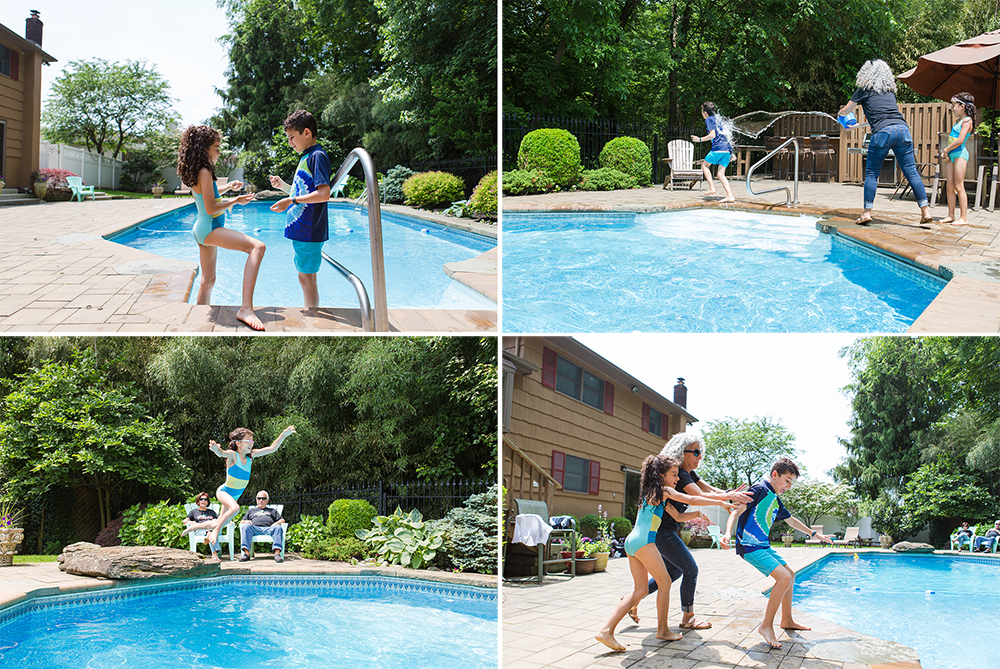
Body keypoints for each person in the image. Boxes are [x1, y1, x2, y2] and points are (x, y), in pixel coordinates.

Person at [595, 454, 734, 652]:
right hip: (645, 542)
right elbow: (690, 497)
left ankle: (606, 631)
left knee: (640, 590)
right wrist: (720, 501)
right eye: (674, 474)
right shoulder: (665, 490)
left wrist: (697, 514)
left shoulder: (652, 494)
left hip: (632, 542)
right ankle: (662, 630)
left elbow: (677, 515)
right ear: (661, 475)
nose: (677, 479)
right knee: (665, 581)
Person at [631, 433, 753, 630]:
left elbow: (709, 489)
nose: (699, 456)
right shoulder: (678, 473)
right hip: (662, 532)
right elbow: (697, 496)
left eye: (700, 452)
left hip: (666, 531)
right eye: (695, 452)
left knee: (673, 572)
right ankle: (688, 617)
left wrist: (728, 496)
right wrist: (726, 498)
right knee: (690, 570)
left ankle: (633, 599)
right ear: (682, 451)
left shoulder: (687, 473)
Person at [721, 458, 833, 650]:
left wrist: (816, 535)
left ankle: (787, 620)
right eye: (787, 480)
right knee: (783, 579)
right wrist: (727, 533)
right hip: (750, 546)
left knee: (790, 575)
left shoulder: (774, 499)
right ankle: (766, 626)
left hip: (763, 546)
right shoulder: (759, 490)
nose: (789, 486)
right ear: (775, 475)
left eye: (792, 482)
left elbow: (792, 521)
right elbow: (735, 512)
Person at [176, 125, 265, 330]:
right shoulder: (205, 171)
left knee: (208, 280)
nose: (219, 152)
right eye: (216, 148)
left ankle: (197, 319)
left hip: (202, 229)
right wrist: (236, 201)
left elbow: (208, 193)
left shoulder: (197, 171)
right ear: (203, 149)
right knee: (257, 248)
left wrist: (228, 187)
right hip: (209, 229)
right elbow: (211, 206)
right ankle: (246, 308)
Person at [838, 60, 933, 227]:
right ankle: (926, 211)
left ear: (865, 73)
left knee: (872, 174)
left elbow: (847, 111)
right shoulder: (889, 92)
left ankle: (866, 213)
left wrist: (841, 114)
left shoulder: (863, 90)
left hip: (883, 133)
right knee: (911, 172)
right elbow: (884, 119)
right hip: (903, 130)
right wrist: (856, 126)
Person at [181, 425, 296, 547]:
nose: (251, 443)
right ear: (238, 443)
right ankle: (215, 532)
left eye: (252, 441)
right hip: (224, 492)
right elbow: (221, 453)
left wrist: (283, 434)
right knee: (235, 509)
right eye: (248, 441)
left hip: (234, 496)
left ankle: (195, 526)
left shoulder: (251, 456)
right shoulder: (233, 455)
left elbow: (272, 448)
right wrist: (215, 449)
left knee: (219, 522)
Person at [268, 110, 332, 308]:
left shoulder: (317, 156)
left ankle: (313, 315)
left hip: (309, 230)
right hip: (303, 230)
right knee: (304, 278)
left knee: (307, 280)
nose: (290, 143)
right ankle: (311, 311)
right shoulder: (307, 156)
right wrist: (284, 188)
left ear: (306, 133)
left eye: (291, 137)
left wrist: (291, 200)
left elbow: (323, 194)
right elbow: (304, 191)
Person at [940, 93, 976, 226]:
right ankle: (950, 215)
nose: (952, 108)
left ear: (962, 106)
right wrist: (948, 152)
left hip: (960, 154)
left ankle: (964, 217)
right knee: (949, 185)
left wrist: (946, 150)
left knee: (958, 186)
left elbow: (960, 140)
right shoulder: (958, 121)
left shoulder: (967, 121)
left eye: (954, 105)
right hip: (951, 154)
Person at [690, 102, 736, 203]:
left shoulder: (709, 119)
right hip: (726, 150)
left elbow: (713, 135)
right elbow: (726, 136)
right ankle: (730, 195)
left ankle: (712, 188)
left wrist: (700, 139)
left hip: (718, 148)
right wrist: (731, 152)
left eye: (702, 112)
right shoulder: (719, 120)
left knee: (705, 166)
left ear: (705, 112)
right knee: (720, 174)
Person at [239, 490, 286, 563]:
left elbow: (282, 520)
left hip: (269, 529)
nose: (261, 500)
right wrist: (246, 521)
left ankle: (277, 554)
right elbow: (242, 522)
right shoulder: (251, 511)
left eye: (263, 498)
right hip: (255, 529)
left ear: (267, 500)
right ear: (256, 500)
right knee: (245, 527)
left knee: (278, 528)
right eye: (259, 498)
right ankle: (246, 554)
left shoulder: (272, 511)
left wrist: (277, 522)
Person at [184, 492, 222, 561]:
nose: (203, 501)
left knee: (212, 526)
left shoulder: (212, 512)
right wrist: (190, 522)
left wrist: (229, 521)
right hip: (199, 530)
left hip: (212, 530)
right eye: (201, 499)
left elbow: (220, 520)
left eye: (205, 499)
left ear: (208, 502)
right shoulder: (193, 512)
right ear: (198, 501)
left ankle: (209, 539)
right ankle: (214, 554)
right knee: (210, 530)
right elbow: (185, 521)